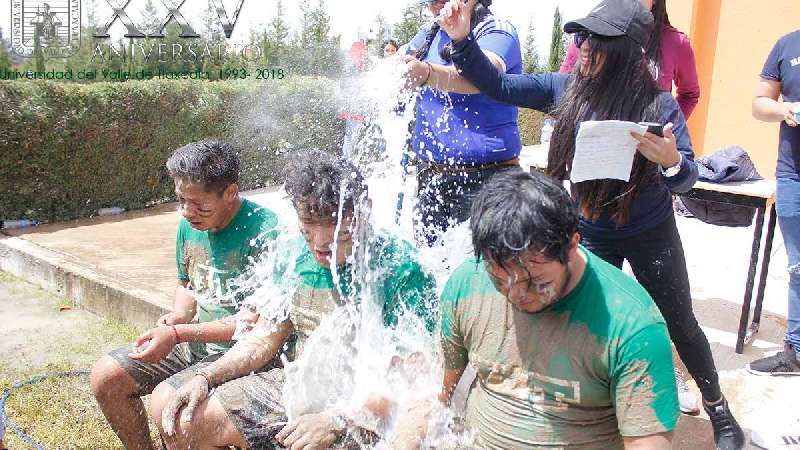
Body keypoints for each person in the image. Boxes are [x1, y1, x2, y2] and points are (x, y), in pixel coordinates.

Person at [440, 0, 745, 448]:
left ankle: (717, 408)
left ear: (624, 53)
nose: (582, 48)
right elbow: (498, 84)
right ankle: (579, 402)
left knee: (680, 321)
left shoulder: (657, 105)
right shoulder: (567, 90)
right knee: (571, 316)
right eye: (580, 38)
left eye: (594, 42)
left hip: (649, 231)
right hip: (589, 230)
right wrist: (462, 41)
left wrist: (671, 161)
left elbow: (687, 180)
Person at [148, 150, 438, 450]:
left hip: (368, 405)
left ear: (366, 209)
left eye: (335, 224)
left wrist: (337, 420)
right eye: (309, 223)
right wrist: (207, 377)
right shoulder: (292, 251)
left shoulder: (400, 269)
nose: (321, 240)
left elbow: (410, 380)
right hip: (302, 384)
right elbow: (262, 339)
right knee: (190, 423)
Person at [396, 169, 679, 449]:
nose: (516, 295)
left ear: (571, 247)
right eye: (499, 279)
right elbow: (434, 392)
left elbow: (646, 444)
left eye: (536, 282)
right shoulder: (466, 286)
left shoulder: (631, 326)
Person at [89, 140, 278, 450]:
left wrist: (177, 333)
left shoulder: (265, 231)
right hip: (195, 341)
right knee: (107, 377)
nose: (188, 212)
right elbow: (188, 284)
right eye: (180, 200)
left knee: (171, 406)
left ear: (230, 193)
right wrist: (178, 315)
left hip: (242, 354)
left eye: (199, 204)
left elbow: (255, 325)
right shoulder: (189, 225)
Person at [401, 0, 522, 245]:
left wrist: (426, 73)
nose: (436, 7)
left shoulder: (497, 30)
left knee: (487, 270)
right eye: (430, 2)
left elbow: (483, 76)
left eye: (441, 1)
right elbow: (402, 63)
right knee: (430, 269)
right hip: (432, 179)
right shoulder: (428, 34)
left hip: (487, 180)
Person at [747, 30, 800, 376]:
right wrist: (785, 109)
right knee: (798, 265)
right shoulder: (787, 45)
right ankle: (795, 350)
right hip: (793, 174)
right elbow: (759, 104)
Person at [560, 0, 700, 119]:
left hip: (644, 145)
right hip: (592, 142)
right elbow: (563, 85)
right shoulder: (590, 32)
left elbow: (690, 94)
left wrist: (670, 125)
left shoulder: (675, 42)